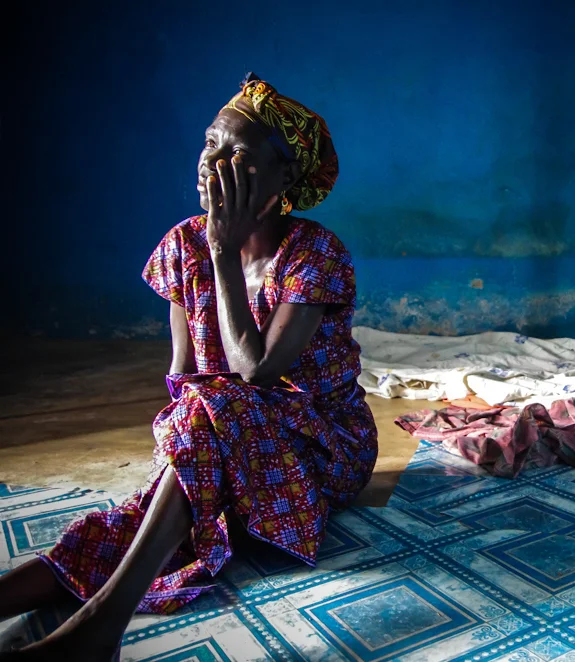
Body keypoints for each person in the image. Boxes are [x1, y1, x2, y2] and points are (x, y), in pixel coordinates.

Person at [0, 74, 378, 660]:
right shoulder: (181, 246)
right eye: (210, 145)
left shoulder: (314, 255)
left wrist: (224, 253)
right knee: (136, 517)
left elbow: (256, 374)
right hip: (218, 431)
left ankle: (103, 622)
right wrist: (181, 460)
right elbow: (182, 377)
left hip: (321, 446)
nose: (215, 165)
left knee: (220, 406)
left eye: (240, 157)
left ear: (284, 181)